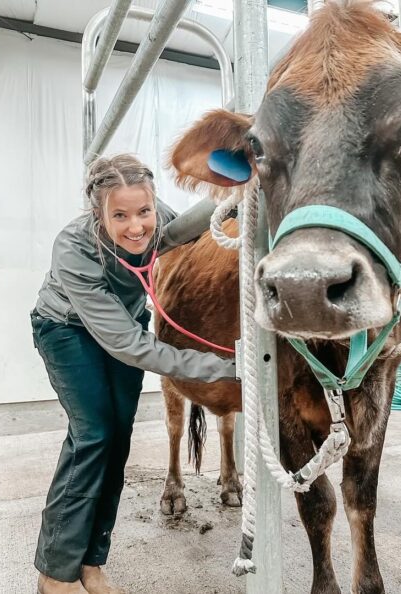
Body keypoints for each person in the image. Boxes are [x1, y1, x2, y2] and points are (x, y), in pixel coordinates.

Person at [30, 154, 237, 594]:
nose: (137, 226)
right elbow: (131, 345)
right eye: (119, 215)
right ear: (98, 212)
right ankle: (55, 573)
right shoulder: (73, 248)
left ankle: (91, 564)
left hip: (123, 325)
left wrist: (238, 196)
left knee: (118, 438)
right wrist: (226, 368)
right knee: (94, 436)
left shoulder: (156, 218)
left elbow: (183, 231)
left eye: (143, 211)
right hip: (67, 330)